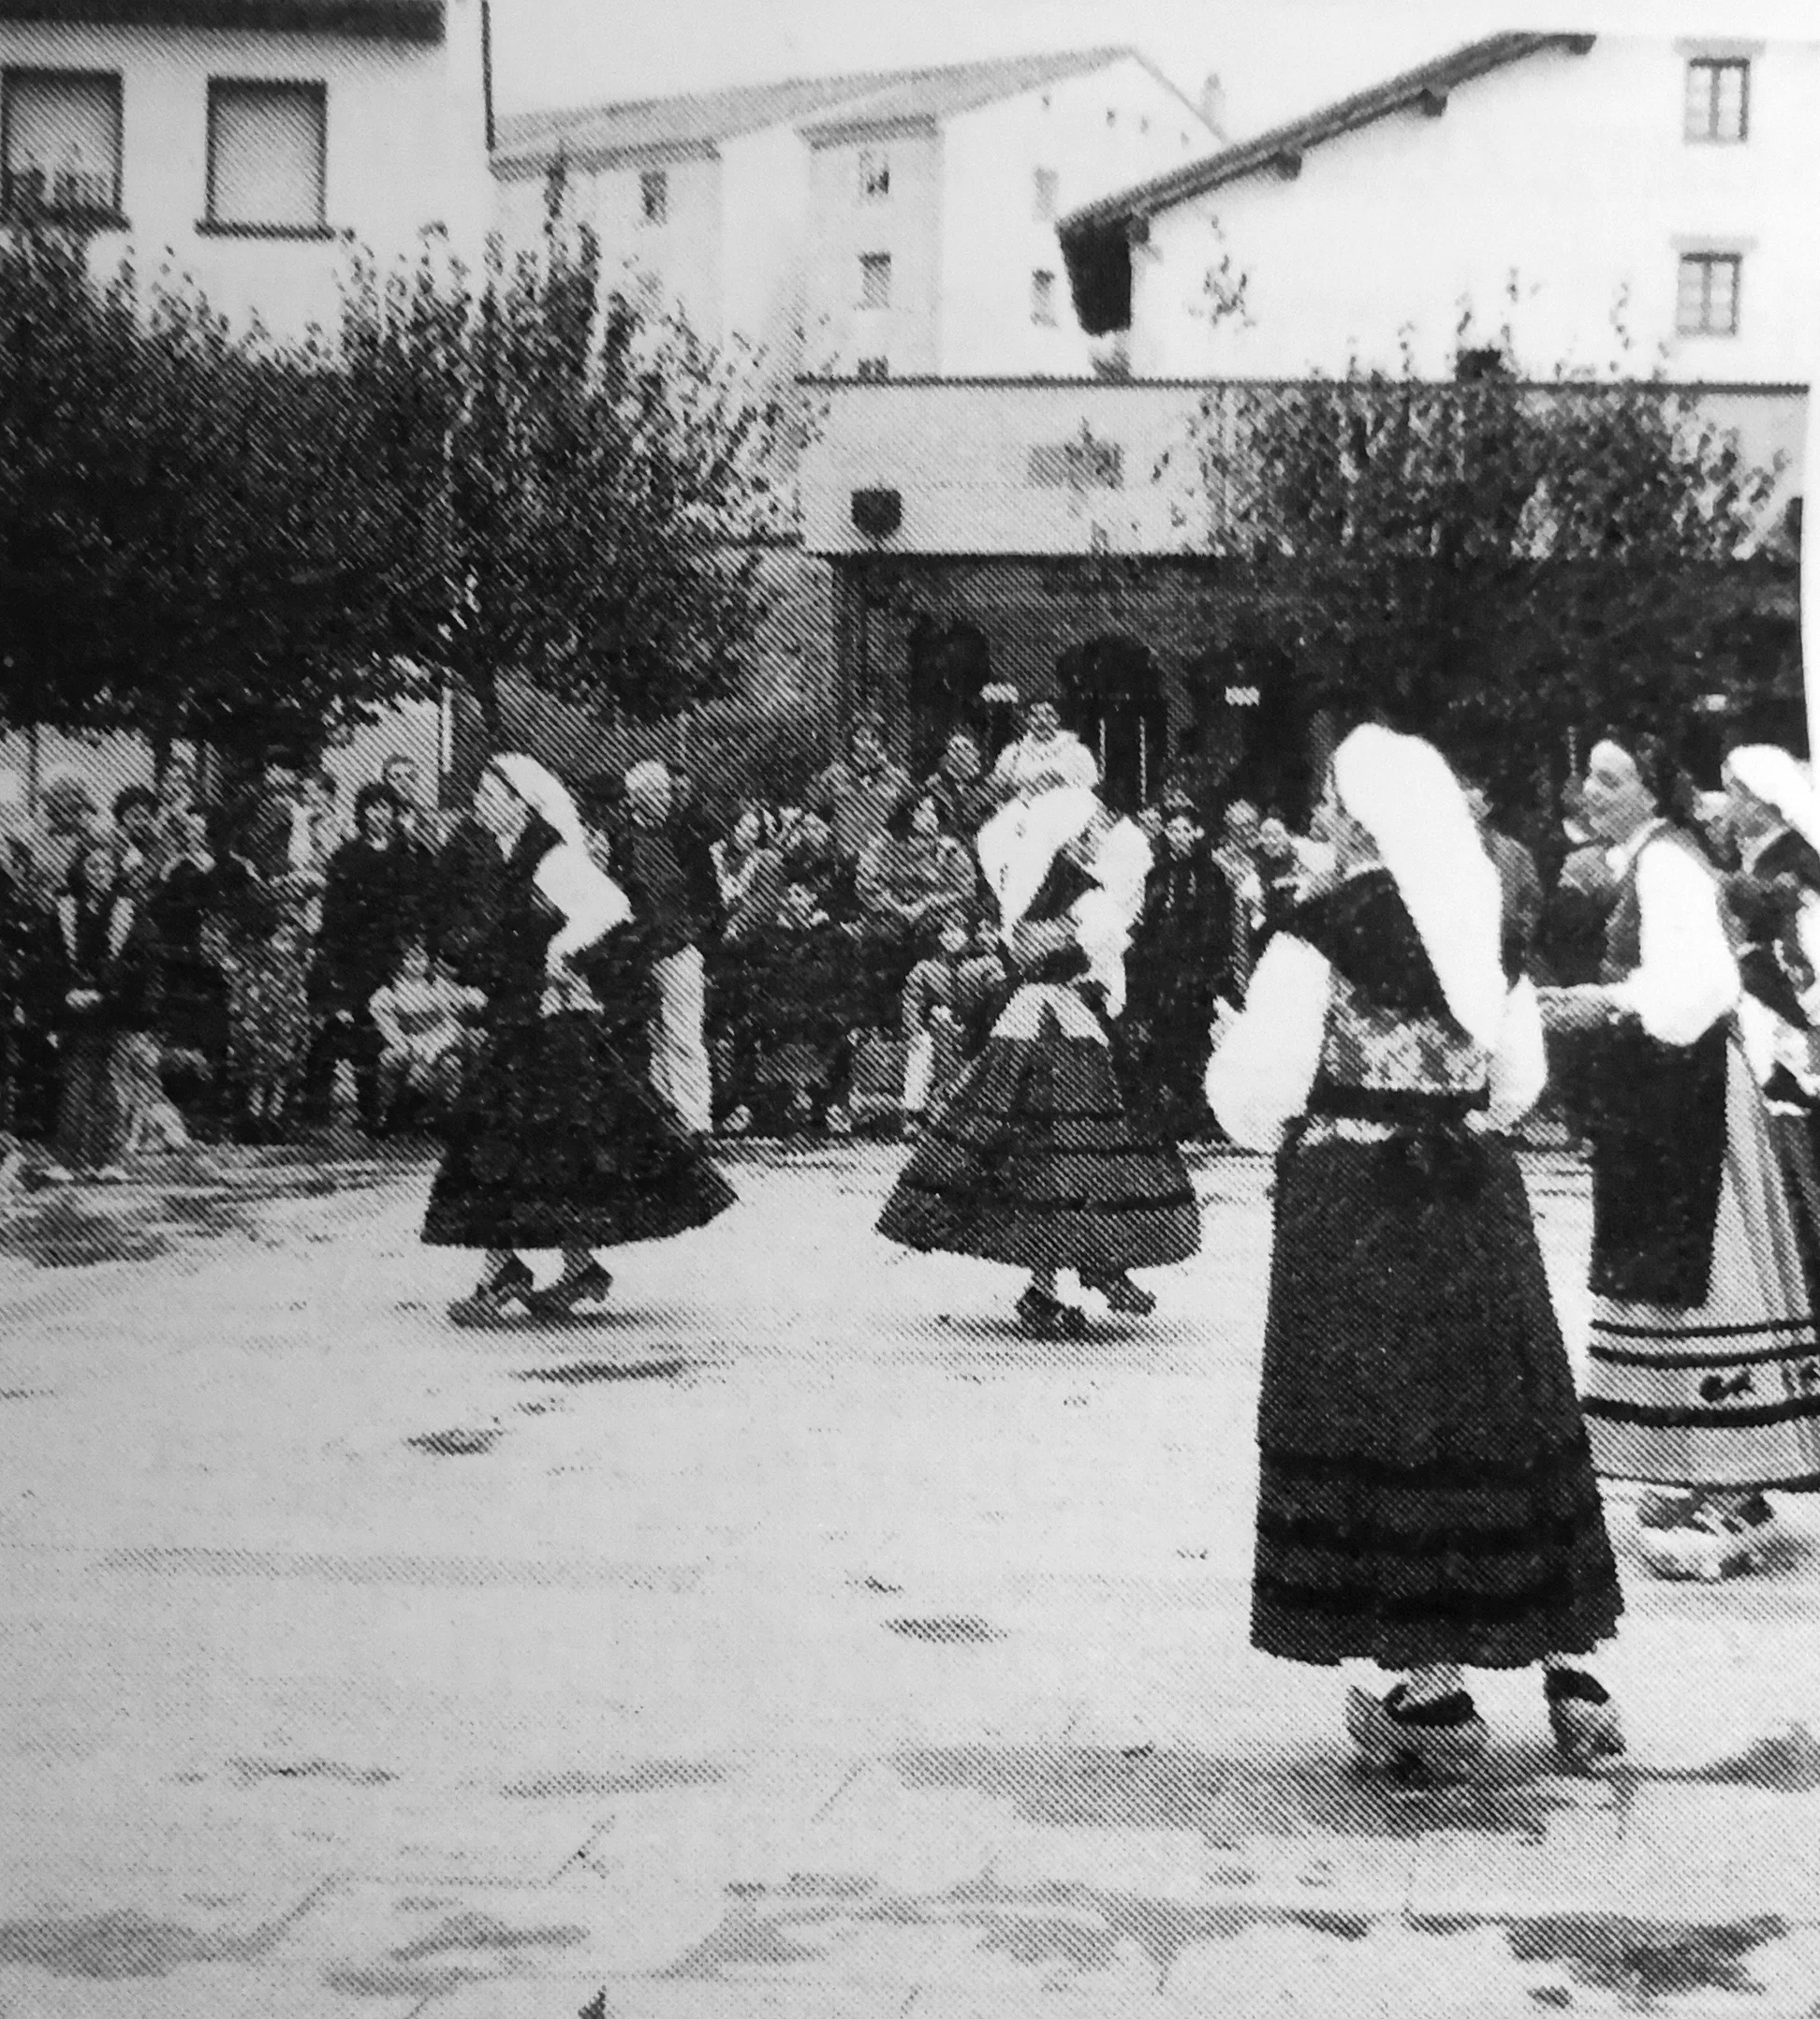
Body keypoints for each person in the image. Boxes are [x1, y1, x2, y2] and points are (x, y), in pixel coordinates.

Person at [1207, 725, 1623, 1775]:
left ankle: (1433, 1694)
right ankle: (1574, 1678)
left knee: (1392, 1421)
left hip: (1359, 1201)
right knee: (1504, 1408)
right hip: (1473, 1195)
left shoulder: (1318, 932)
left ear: (1359, 821)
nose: (1322, 819)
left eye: (1331, 804)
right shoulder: (1485, 928)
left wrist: (1231, 1063)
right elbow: (1518, 1087)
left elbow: (1256, 1099)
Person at [1539, 735, 1820, 1581]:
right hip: (1666, 1093)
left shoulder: (1666, 864)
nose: (1592, 791)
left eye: (1612, 778)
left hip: (1690, 1095)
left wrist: (1602, 1001)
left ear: (1655, 791)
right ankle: (1706, 1470)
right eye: (1589, 777)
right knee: (1676, 1280)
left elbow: (1699, 986)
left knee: (1710, 1277)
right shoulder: (1648, 859)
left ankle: (1735, 1482)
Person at [878, 779, 1200, 1336]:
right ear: (1067, 837)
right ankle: (1055, 1283)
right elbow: (1062, 951)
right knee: (1055, 1152)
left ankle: (1095, 1264)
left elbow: (1069, 948)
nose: (1096, 837)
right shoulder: (1064, 889)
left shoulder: (1056, 886)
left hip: (1060, 1022)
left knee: (1073, 1149)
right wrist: (1090, 948)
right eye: (1087, 830)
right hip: (1050, 1027)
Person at [422, 754, 735, 1322]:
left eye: (491, 794)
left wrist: (559, 951)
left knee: (523, 1147)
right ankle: (567, 1266)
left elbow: (611, 907)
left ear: (521, 803)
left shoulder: (550, 855)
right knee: (535, 1151)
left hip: (552, 1026)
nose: (479, 803)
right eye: (480, 793)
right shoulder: (510, 853)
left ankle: (509, 1271)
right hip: (526, 1020)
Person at [1718, 745, 1820, 1300]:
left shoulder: (1795, 865)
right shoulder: (1760, 863)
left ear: (1763, 801)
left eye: (1733, 792)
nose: (1726, 804)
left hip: (1797, 1047)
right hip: (1774, 1040)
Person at [309, 783, 428, 1135]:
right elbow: (333, 908)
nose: (377, 815)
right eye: (371, 808)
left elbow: (418, 903)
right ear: (362, 813)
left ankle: (397, 1112)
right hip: (354, 954)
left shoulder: (408, 854)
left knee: (391, 1031)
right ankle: (356, 1110)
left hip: (393, 955)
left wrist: (410, 943)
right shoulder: (347, 855)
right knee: (353, 1030)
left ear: (394, 813)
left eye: (384, 808)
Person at [47, 841, 169, 1179]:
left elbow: (142, 961)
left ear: (115, 872)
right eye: (92, 866)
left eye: (105, 867)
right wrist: (67, 993)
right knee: (76, 1084)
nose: (99, 873)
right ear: (81, 870)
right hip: (74, 1009)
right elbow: (50, 961)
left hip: (115, 1008)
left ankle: (109, 1160)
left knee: (112, 1085)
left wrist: (106, 992)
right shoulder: (64, 910)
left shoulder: (130, 910)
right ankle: (69, 1160)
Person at [616, 759, 715, 1138]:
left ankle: (696, 1122)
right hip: (638, 952)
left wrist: (690, 936)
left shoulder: (688, 840)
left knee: (685, 1036)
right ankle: (662, 1121)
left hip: (679, 950)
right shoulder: (621, 841)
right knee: (652, 1038)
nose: (664, 799)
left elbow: (708, 900)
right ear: (635, 797)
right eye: (654, 792)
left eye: (665, 792)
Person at [369, 941, 483, 1133]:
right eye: (410, 960)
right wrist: (402, 1043)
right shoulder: (390, 991)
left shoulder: (438, 985)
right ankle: (388, 1113)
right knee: (389, 1060)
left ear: (427, 962)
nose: (416, 965)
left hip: (440, 1039)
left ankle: (442, 1114)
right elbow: (386, 1023)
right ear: (401, 962)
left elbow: (465, 997)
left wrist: (475, 998)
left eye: (420, 959)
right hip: (409, 1041)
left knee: (450, 1065)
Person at [1462, 775, 1545, 979]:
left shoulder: (1514, 852)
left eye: (1475, 807)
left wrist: (1522, 927)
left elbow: (1532, 895)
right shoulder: (1451, 854)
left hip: (1507, 940)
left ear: (1486, 809)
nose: (1472, 815)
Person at [805, 715, 914, 868]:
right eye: (862, 738)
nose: (869, 744)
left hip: (876, 851)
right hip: (839, 848)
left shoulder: (893, 776)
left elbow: (907, 809)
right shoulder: (835, 773)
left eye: (874, 738)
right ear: (852, 741)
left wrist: (885, 770)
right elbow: (814, 807)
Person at [987, 688, 1098, 803]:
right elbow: (997, 787)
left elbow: (1086, 790)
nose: (1042, 721)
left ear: (1058, 718)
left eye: (1049, 714)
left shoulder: (1075, 751)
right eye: (1035, 715)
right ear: (1027, 719)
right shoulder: (1014, 754)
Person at [919, 730, 996, 841]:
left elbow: (990, 809)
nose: (974, 757)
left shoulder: (977, 783)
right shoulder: (936, 787)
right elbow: (941, 826)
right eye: (968, 752)